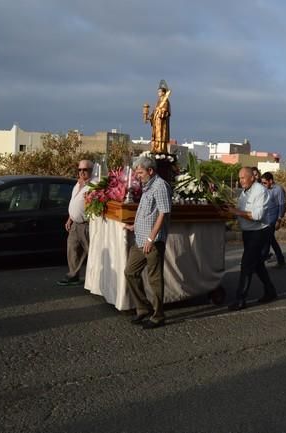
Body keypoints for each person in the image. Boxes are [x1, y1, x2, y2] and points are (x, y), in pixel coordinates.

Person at [124, 156, 172, 329]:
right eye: (137, 172)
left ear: (150, 171)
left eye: (140, 172)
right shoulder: (147, 186)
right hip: (140, 239)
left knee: (154, 280)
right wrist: (134, 226)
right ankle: (143, 308)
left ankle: (158, 316)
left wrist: (151, 238)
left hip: (153, 241)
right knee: (130, 272)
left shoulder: (160, 186)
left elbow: (163, 213)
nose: (138, 175)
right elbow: (146, 212)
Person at [226, 167, 277, 310]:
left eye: (243, 178)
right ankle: (270, 290)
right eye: (239, 178)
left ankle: (240, 299)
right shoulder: (244, 192)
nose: (240, 181)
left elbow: (257, 216)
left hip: (259, 232)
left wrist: (236, 211)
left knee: (246, 264)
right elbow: (241, 211)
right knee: (257, 265)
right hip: (248, 232)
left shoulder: (260, 191)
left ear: (252, 177)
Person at [58, 160, 96, 286]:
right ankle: (73, 275)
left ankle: (95, 279)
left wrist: (88, 184)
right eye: (79, 170)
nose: (81, 172)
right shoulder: (77, 184)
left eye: (84, 170)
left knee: (90, 251)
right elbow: (74, 202)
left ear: (91, 170)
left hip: (86, 224)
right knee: (72, 249)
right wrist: (70, 218)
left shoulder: (94, 184)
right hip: (75, 223)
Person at [261, 171, 286, 268]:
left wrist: (279, 220)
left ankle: (260, 263)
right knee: (271, 240)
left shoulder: (278, 189)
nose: (263, 185)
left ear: (271, 181)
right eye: (262, 183)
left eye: (265, 183)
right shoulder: (264, 189)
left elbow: (282, 205)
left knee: (266, 240)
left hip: (273, 218)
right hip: (265, 218)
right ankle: (281, 259)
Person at [149, 81, 171, 153]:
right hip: (156, 121)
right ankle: (156, 147)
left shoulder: (166, 101)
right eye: (158, 92)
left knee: (161, 134)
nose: (158, 93)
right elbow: (154, 110)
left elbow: (166, 111)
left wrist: (161, 111)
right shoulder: (158, 102)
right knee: (156, 135)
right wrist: (150, 116)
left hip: (162, 122)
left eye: (160, 91)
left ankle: (161, 148)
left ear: (164, 93)